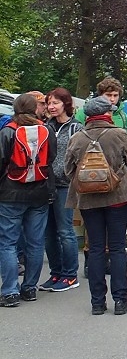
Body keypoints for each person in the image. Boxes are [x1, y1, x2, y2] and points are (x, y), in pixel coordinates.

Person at [64, 96, 127, 315]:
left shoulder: (77, 138)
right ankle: (120, 301)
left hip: (89, 200)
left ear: (88, 116)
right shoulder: (119, 134)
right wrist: (120, 177)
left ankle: (97, 303)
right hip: (118, 197)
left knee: (96, 248)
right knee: (117, 248)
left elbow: (68, 170)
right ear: (108, 114)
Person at [0, 93, 56, 307]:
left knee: (8, 243)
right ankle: (30, 288)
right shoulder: (46, 131)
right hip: (39, 193)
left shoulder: (8, 131)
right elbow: (50, 160)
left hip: (10, 193)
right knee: (35, 243)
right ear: (35, 109)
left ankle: (10, 291)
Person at [39, 88, 83, 293]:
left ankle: (70, 275)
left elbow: (81, 156)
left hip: (65, 185)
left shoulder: (76, 128)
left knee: (65, 231)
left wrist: (72, 176)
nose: (51, 106)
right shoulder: (45, 126)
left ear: (66, 103)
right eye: (49, 103)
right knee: (48, 233)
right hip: (45, 184)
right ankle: (55, 272)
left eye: (55, 102)